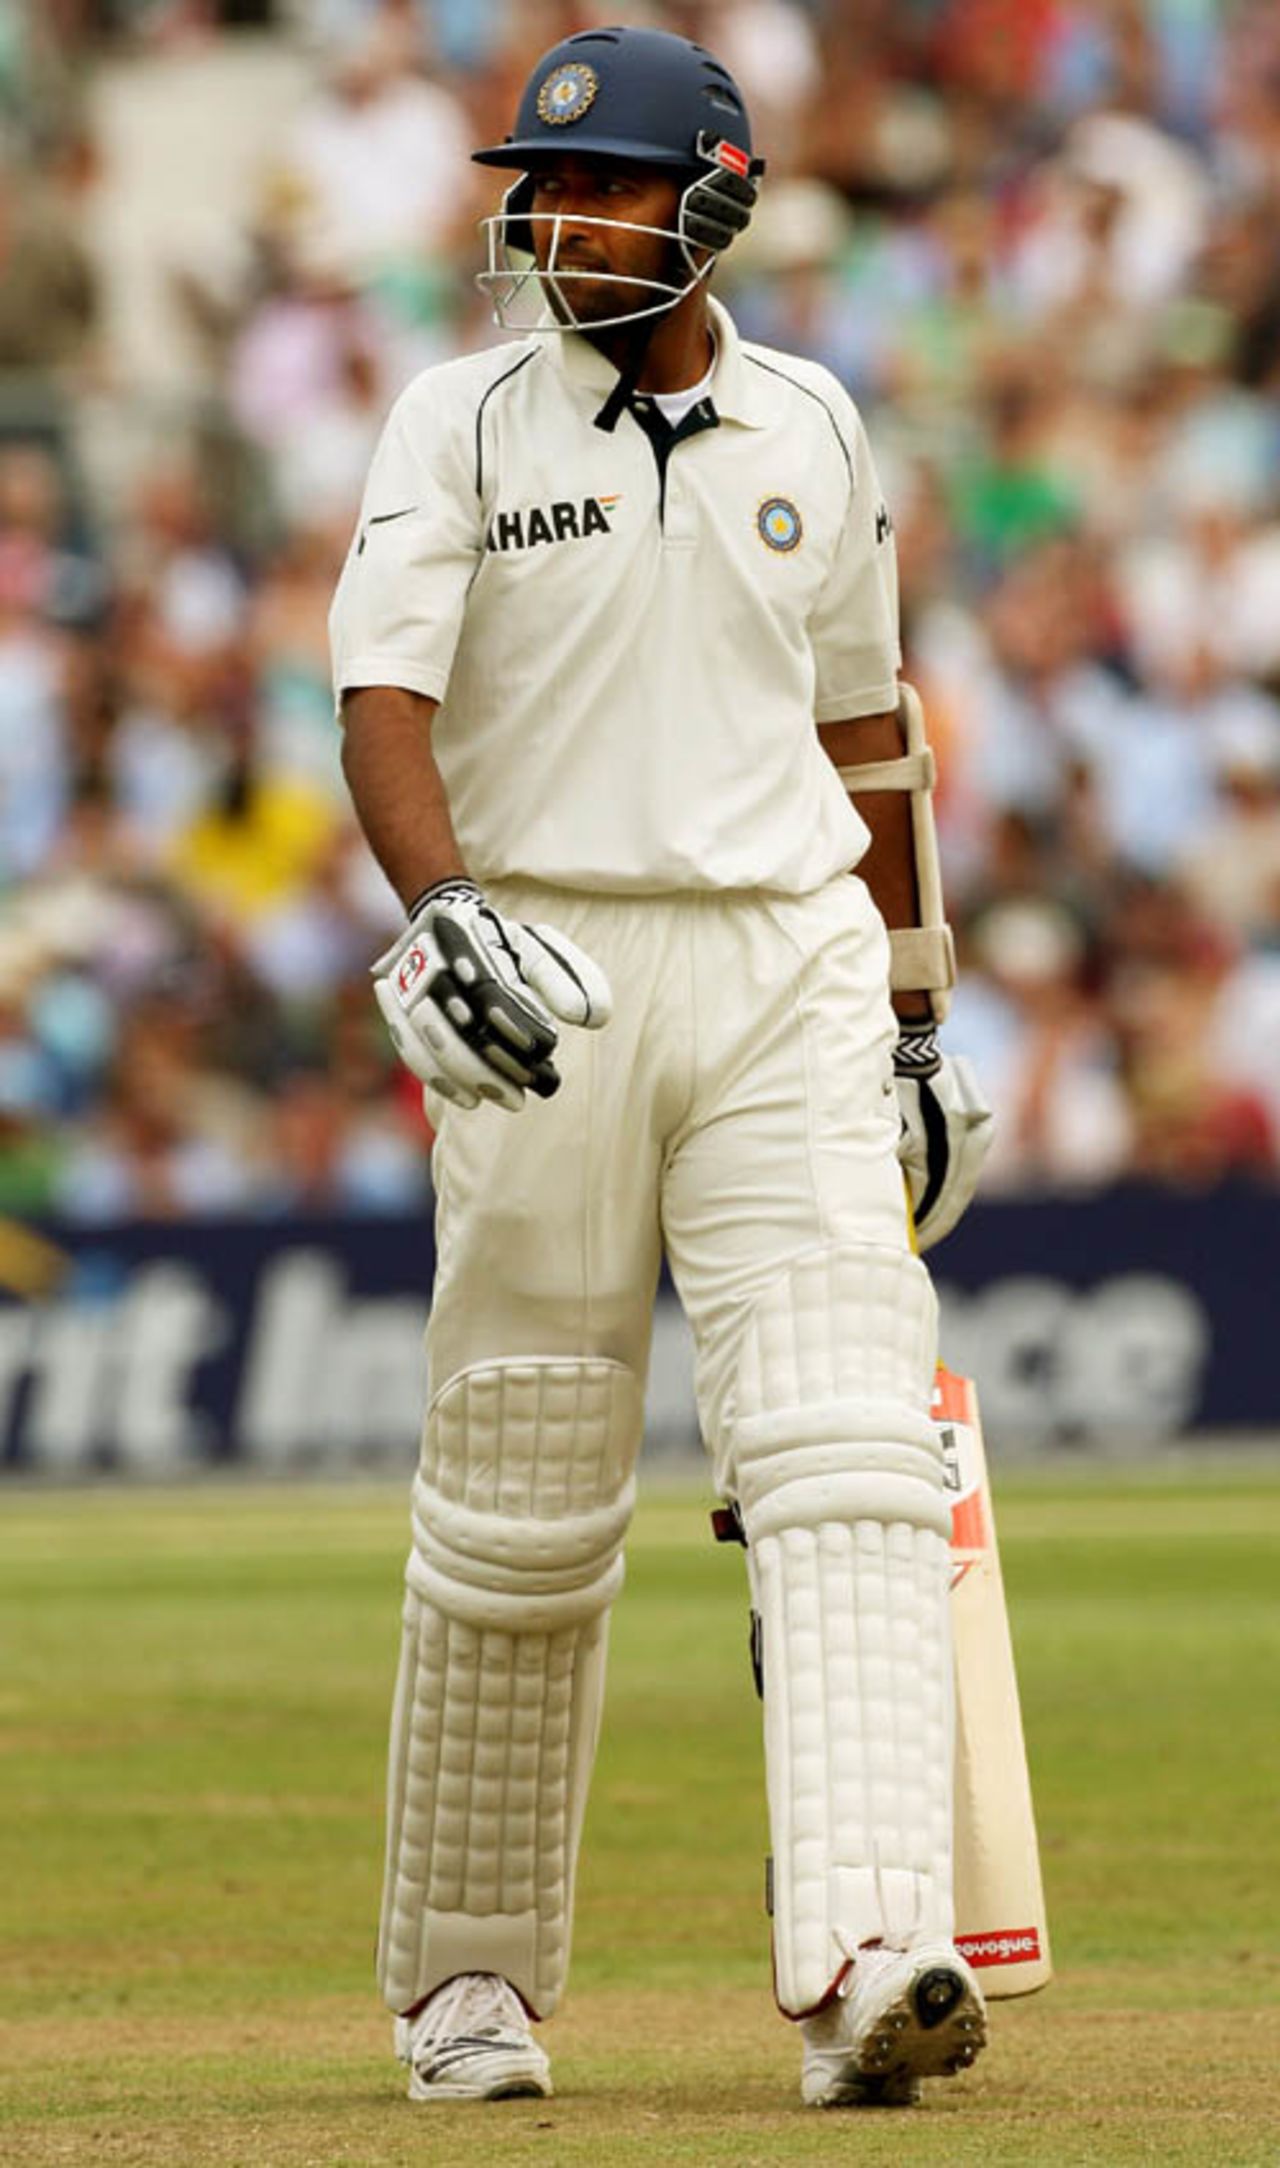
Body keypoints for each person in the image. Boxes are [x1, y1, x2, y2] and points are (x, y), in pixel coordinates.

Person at [329, 22, 992, 2111]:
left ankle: (871, 1955)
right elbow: (382, 702)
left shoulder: (814, 421)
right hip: (548, 967)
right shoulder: (456, 422)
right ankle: (465, 1986)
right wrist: (444, 914)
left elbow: (866, 732)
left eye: (606, 187)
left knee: (845, 1448)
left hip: (785, 959)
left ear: (713, 199)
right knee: (525, 1492)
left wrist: (909, 1006)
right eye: (543, 190)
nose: (558, 221)